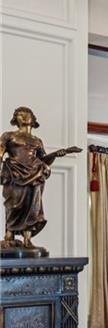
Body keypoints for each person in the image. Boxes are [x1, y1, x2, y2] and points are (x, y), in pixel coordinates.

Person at [1, 107, 81, 253]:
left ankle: (27, 239)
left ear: (33, 119)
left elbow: (43, 159)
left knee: (32, 206)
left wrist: (57, 154)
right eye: (20, 114)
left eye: (27, 114)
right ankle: (9, 237)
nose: (24, 116)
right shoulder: (8, 136)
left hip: (34, 175)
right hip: (14, 173)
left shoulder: (37, 141)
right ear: (15, 119)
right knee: (13, 204)